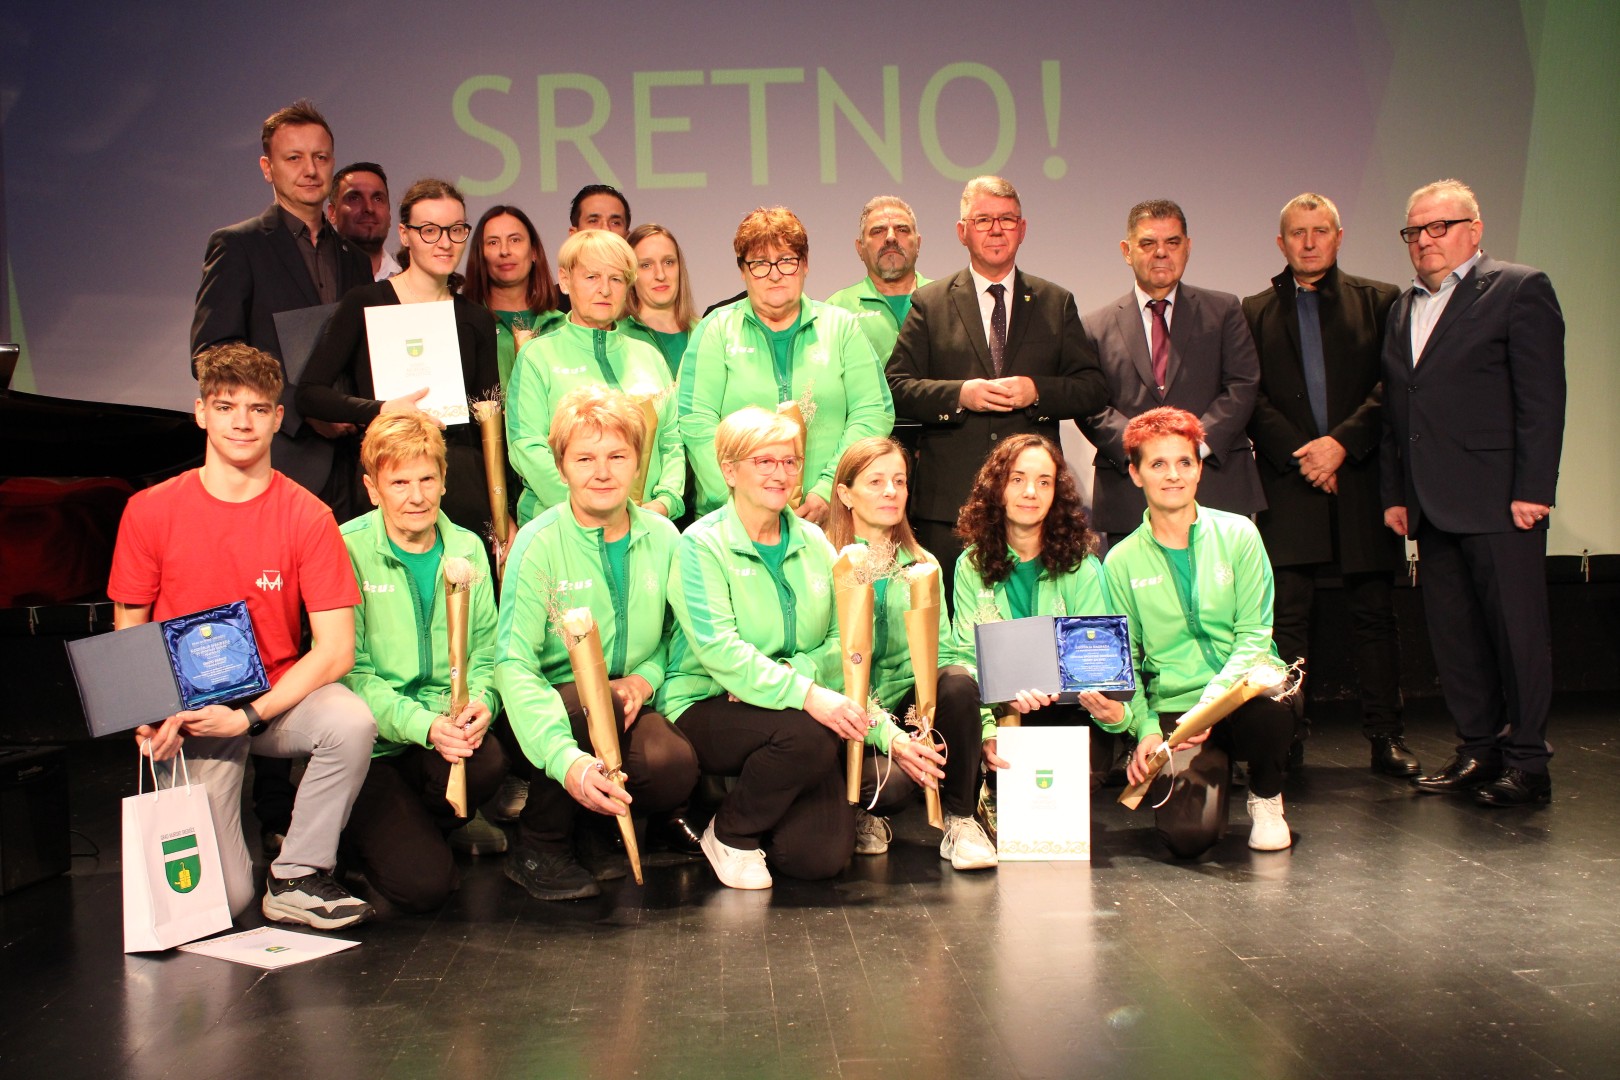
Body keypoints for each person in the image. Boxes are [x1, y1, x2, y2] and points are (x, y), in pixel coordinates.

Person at [109, 343, 375, 929]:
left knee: (350, 721)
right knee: (221, 902)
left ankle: (297, 874)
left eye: (257, 409)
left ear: (278, 418)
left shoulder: (308, 516)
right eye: (226, 406)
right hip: (190, 714)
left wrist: (250, 715)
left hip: (271, 701)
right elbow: (130, 631)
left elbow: (335, 650)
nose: (242, 422)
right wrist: (149, 714)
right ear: (201, 412)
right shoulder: (150, 511)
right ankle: (239, 873)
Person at [659, 408, 924, 889]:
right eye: (764, 461)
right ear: (729, 470)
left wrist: (890, 735)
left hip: (792, 711)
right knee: (808, 733)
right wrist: (807, 693)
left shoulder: (814, 542)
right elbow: (721, 651)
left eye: (790, 461)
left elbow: (843, 646)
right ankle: (730, 833)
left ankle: (762, 797)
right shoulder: (700, 545)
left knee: (818, 859)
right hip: (708, 702)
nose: (780, 474)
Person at [1380, 179, 1566, 807]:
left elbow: (1542, 399)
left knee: (1517, 635)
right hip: (1431, 503)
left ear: (1474, 229)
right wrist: (1397, 492)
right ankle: (1479, 748)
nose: (1425, 240)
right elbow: (1397, 410)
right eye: (1414, 231)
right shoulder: (1403, 307)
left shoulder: (1518, 288)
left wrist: (1534, 488)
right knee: (1455, 637)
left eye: (1440, 226)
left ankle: (1528, 761)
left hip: (1500, 500)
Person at [494, 386, 700, 900]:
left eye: (617, 456)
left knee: (672, 767)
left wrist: (645, 680)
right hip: (546, 710)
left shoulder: (664, 537)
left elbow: (679, 633)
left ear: (638, 462)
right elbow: (513, 664)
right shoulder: (538, 543)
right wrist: (564, 759)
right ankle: (539, 845)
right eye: (585, 458)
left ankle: (591, 830)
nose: (602, 472)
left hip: (626, 702)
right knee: (592, 701)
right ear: (561, 467)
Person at [1242, 193, 1415, 777]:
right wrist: (1307, 456)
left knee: (1374, 614)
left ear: (1339, 237)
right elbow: (1250, 396)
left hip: (1361, 477)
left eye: (1320, 231)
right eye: (1298, 232)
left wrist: (1341, 444)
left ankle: (1386, 736)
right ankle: (1286, 737)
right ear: (1281, 242)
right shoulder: (1254, 310)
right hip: (1290, 481)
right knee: (1287, 619)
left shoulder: (1380, 301)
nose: (1309, 242)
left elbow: (1394, 385)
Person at [886, 176, 1108, 596]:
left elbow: (1092, 388)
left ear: (1022, 230)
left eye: (1007, 219)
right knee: (951, 626)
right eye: (983, 220)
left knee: (1034, 617)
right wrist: (959, 395)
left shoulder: (1054, 302)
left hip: (1034, 507)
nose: (996, 229)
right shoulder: (930, 303)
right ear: (962, 231)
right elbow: (896, 387)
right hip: (951, 505)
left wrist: (1036, 391)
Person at [337, 414, 509, 912]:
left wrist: (484, 701)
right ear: (373, 489)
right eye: (399, 483)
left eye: (427, 479)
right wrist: (424, 725)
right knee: (426, 887)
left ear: (444, 480)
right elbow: (351, 672)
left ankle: (432, 827)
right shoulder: (346, 548)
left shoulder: (466, 547)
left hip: (443, 733)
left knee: (490, 759)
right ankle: (360, 835)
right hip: (374, 749)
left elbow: (487, 648)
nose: (417, 497)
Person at [1107, 408, 1296, 856]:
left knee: (1274, 700)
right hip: (1178, 711)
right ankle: (1214, 770)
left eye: (1184, 462)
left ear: (1198, 469)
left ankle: (1266, 797)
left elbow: (1254, 635)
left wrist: (1212, 703)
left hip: (1243, 694)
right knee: (1188, 839)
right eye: (1158, 464)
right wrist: (1147, 729)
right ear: (1135, 474)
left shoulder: (1240, 535)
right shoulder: (1120, 561)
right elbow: (1125, 662)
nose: (1173, 475)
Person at [949, 434, 1146, 835]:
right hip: (1002, 713)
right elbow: (965, 656)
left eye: (1044, 482)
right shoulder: (970, 565)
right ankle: (988, 789)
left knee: (1068, 790)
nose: (1031, 492)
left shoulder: (1082, 566)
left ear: (1057, 492)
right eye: (1018, 479)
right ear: (997, 487)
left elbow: (1102, 661)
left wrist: (1121, 718)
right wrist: (987, 730)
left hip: (1069, 710)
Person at [191, 99, 372, 509]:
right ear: (267, 167)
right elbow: (211, 354)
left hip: (357, 466)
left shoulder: (355, 260)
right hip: (282, 456)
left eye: (320, 157)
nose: (310, 170)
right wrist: (302, 410)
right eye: (294, 158)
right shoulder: (238, 246)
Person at [295, 178, 501, 535]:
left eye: (456, 230)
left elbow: (490, 421)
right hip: (387, 481)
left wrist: (502, 509)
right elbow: (309, 394)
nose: (445, 243)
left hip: (461, 484)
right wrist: (381, 409)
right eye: (430, 230)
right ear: (405, 234)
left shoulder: (477, 319)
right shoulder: (366, 303)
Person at [678, 206, 894, 521]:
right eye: (760, 263)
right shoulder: (715, 330)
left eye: (786, 260)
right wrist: (742, 501)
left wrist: (828, 489)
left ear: (805, 264)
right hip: (732, 520)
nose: (775, 274)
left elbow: (872, 413)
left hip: (830, 517)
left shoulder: (842, 328)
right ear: (742, 271)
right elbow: (696, 423)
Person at [1078, 200, 1264, 545]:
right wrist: (1143, 451)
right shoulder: (1094, 327)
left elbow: (1242, 385)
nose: (1161, 252)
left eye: (1172, 242)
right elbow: (1089, 404)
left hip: (1216, 484)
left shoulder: (1224, 310)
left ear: (1188, 247)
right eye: (1148, 243)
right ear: (1127, 251)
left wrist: (1191, 450)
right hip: (1130, 493)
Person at [823, 438, 970, 867]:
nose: (891, 491)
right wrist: (886, 733)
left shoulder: (924, 563)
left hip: (905, 708)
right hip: (845, 711)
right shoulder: (824, 560)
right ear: (845, 493)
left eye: (900, 481)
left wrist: (922, 724)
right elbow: (826, 666)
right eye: (876, 482)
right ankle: (858, 811)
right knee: (890, 786)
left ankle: (961, 820)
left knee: (959, 683)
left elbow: (944, 652)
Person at [506, 230, 685, 525]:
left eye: (616, 279)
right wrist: (593, 510)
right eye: (592, 277)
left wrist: (665, 502)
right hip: (561, 528)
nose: (605, 290)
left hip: (646, 525)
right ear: (565, 280)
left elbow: (672, 442)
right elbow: (527, 448)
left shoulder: (649, 356)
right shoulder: (538, 357)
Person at [463, 204, 566, 389]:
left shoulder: (562, 325)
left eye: (515, 240)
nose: (504, 251)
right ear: (481, 255)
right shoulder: (466, 327)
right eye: (493, 242)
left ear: (534, 251)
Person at [826, 196, 931, 363]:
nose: (891, 237)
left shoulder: (948, 300)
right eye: (878, 231)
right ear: (860, 248)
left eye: (902, 230)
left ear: (918, 243)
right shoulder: (836, 309)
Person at [620, 224, 700, 378]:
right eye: (646, 265)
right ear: (630, 274)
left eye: (668, 262)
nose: (660, 275)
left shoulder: (706, 331)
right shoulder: (619, 336)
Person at [327, 162, 400, 281]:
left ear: (389, 214)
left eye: (378, 199)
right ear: (332, 213)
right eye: (354, 198)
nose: (369, 208)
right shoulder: (317, 279)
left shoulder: (410, 284)